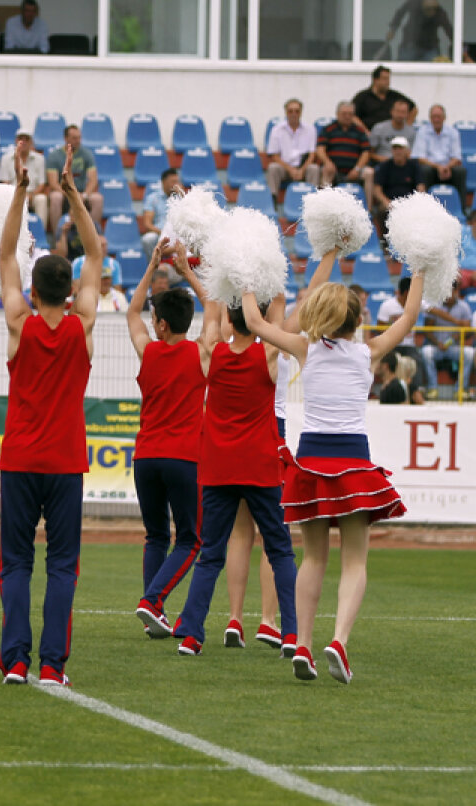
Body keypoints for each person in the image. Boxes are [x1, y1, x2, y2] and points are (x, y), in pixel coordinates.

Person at [241, 269, 421, 685]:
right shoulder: (369, 352)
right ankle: (338, 641)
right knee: (354, 560)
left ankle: (303, 644)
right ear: (357, 320)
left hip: (311, 461)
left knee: (313, 558)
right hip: (353, 461)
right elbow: (410, 316)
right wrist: (423, 267)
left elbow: (253, 322)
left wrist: (246, 271)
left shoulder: (305, 348)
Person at [0, 147, 101, 687]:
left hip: (19, 458)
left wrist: (20, 191)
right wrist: (73, 195)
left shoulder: (19, 322)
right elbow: (95, 252)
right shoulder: (83, 325)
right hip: (64, 462)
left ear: (34, 292)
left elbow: (6, 254)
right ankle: (53, 667)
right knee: (62, 566)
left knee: (16, 563)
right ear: (73, 290)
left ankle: (16, 660)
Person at [170, 292, 299, 659]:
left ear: (229, 318)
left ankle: (192, 636)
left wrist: (212, 281)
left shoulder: (212, 352)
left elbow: (211, 311)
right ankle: (292, 634)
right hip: (259, 467)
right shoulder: (268, 352)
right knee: (280, 550)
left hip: (219, 468)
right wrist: (266, 287)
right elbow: (281, 312)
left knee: (210, 554)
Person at [128, 240, 215, 636]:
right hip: (184, 458)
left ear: (161, 324)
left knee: (156, 536)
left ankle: (154, 614)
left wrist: (152, 266)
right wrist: (187, 271)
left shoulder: (148, 351)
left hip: (145, 457)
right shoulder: (200, 352)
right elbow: (212, 307)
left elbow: (131, 312)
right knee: (191, 540)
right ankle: (153, 600)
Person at [315, 101, 374, 209]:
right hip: (334, 169)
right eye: (344, 114)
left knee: (369, 173)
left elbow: (366, 152)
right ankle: (323, 207)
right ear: (337, 114)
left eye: (350, 114)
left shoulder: (360, 131)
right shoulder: (328, 129)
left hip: (355, 169)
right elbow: (320, 149)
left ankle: (368, 209)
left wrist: (357, 169)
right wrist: (327, 162)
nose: (347, 116)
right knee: (326, 170)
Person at [46, 125, 102, 235]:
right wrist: (71, 194)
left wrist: (84, 195)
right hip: (63, 193)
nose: (78, 141)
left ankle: (93, 236)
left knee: (97, 199)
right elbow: (53, 183)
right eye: (74, 138)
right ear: (66, 138)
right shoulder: (54, 156)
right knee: (55, 197)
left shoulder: (87, 154)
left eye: (79, 137)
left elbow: (93, 180)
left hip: (81, 193)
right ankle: (58, 236)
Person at [420, 281, 473, 394]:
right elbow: (427, 330)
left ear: (456, 291)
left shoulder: (464, 306)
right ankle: (433, 388)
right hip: (437, 347)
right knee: (426, 352)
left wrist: (453, 339)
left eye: (450, 291)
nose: (448, 295)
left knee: (469, 353)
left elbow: (468, 330)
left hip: (453, 347)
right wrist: (437, 342)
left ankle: (460, 390)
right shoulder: (435, 304)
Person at [377, 276, 429, 388]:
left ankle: (416, 390)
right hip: (392, 345)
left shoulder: (417, 304)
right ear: (407, 293)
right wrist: (394, 335)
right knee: (390, 362)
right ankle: (388, 388)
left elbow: (435, 310)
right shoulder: (387, 305)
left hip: (409, 347)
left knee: (417, 360)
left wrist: (456, 321)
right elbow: (380, 328)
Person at [412, 104, 466, 212]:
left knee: (461, 171)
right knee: (424, 170)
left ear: (444, 118)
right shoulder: (422, 132)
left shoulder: (453, 132)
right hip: (430, 168)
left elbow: (456, 157)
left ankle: (462, 209)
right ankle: (423, 209)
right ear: (430, 118)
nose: (436, 119)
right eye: (434, 117)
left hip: (448, 168)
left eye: (439, 116)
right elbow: (420, 158)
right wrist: (438, 167)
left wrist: (447, 167)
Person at [265, 98, 321, 195]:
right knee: (272, 168)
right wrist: (290, 170)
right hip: (284, 167)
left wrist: (301, 170)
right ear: (286, 112)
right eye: (290, 111)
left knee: (314, 168)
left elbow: (312, 154)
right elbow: (274, 156)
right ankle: (272, 198)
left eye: (297, 111)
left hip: (303, 167)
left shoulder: (310, 129)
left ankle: (313, 198)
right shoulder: (276, 130)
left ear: (301, 112)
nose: (293, 114)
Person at [0, 130, 48, 230]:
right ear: (16, 141)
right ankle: (7, 231)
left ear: (31, 142)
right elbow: (5, 183)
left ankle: (41, 231)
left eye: (27, 139)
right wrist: (19, 195)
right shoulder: (5, 158)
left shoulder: (40, 159)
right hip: (13, 193)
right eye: (20, 139)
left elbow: (42, 184)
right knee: (5, 199)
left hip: (33, 194)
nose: (23, 142)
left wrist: (31, 195)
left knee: (42, 199)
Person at [352, 65, 417, 132]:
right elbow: (352, 116)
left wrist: (406, 127)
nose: (388, 82)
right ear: (375, 80)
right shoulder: (363, 97)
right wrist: (365, 131)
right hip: (370, 133)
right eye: (384, 79)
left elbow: (414, 109)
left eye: (388, 79)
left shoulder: (394, 96)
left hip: (392, 134)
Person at [373, 136, 418, 231]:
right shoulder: (384, 166)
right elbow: (377, 190)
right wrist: (387, 202)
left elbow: (420, 188)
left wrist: (413, 202)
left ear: (407, 151)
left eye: (400, 148)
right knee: (382, 210)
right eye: (395, 148)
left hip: (409, 202)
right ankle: (384, 238)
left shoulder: (414, 166)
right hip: (389, 201)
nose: (397, 151)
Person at [386, 0, 452, 62]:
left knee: (433, 67)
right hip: (410, 45)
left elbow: (448, 28)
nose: (432, 12)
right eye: (428, 9)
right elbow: (400, 14)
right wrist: (393, 30)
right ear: (423, 5)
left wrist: (455, 42)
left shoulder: (440, 12)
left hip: (430, 48)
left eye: (434, 9)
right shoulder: (413, 4)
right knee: (403, 66)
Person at [140, 168, 181, 255]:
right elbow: (147, 224)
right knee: (148, 239)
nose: (176, 185)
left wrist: (181, 195)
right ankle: (154, 262)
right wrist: (163, 232)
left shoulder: (180, 198)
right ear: (163, 182)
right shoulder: (152, 198)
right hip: (159, 232)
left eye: (177, 182)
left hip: (178, 233)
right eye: (173, 182)